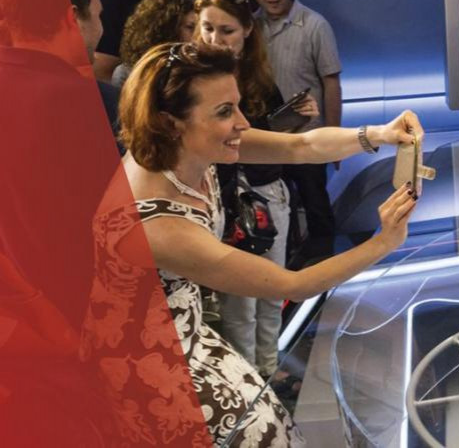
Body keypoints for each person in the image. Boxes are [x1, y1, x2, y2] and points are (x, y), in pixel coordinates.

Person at [83, 41, 421, 445]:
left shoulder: (187, 145)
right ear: (170, 122)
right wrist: (384, 242)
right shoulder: (155, 224)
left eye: (238, 106)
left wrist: (380, 134)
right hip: (143, 365)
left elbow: (300, 146)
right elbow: (291, 284)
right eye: (225, 111)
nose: (243, 123)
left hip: (183, 329)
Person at [194, 0, 318, 378]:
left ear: (247, 30)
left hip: (266, 191)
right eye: (207, 28)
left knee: (272, 293)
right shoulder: (189, 79)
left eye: (226, 30)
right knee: (239, 304)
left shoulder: (259, 78)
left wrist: (293, 121)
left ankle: (267, 372)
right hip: (221, 197)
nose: (215, 39)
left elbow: (273, 139)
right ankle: (248, 383)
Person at [244, 0, 342, 265]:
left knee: (316, 206)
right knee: (275, 210)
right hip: (267, 140)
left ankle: (327, 270)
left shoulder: (314, 25)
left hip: (307, 138)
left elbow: (331, 83)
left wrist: (335, 138)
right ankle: (287, 271)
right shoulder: (248, 29)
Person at [111, 0, 195, 87]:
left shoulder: (198, 70)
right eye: (190, 27)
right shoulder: (127, 73)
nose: (198, 35)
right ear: (167, 30)